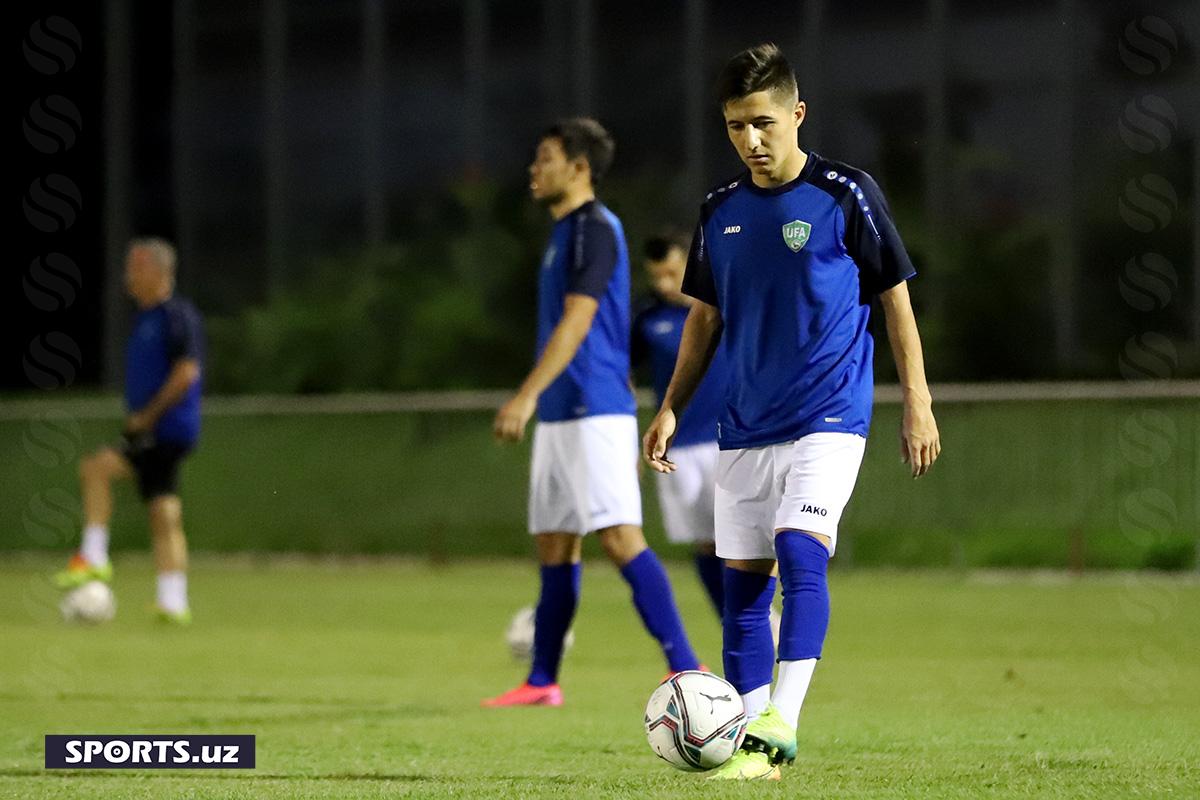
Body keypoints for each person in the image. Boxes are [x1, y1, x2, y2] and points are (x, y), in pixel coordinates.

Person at [643, 44, 941, 780]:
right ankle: (751, 748)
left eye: (764, 122)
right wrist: (671, 408)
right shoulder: (719, 209)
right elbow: (703, 320)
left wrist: (919, 404)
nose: (751, 140)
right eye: (737, 126)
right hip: (744, 424)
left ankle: (784, 717)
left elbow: (894, 300)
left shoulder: (847, 194)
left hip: (830, 413)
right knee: (741, 591)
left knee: (800, 549)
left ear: (797, 115)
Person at [484, 118, 703, 707]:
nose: (535, 168)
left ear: (580, 168)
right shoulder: (562, 233)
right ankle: (542, 679)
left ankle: (687, 666)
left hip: (593, 407)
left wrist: (525, 393)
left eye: (546, 157)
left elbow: (579, 319)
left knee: (619, 537)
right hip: (563, 412)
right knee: (555, 542)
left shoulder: (594, 229)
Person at [56, 238, 204, 625]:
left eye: (135, 268)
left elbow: (187, 371)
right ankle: (173, 602)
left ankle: (94, 555)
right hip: (161, 429)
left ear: (157, 271)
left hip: (164, 427)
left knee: (96, 468)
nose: (128, 276)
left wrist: (148, 415)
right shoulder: (144, 319)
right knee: (163, 511)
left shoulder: (176, 316)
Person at [632, 230, 729, 617]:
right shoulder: (647, 317)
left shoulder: (728, 303)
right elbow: (623, 372)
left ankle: (758, 616)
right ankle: (731, 619)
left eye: (671, 273)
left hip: (730, 439)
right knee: (705, 543)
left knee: (745, 539)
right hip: (680, 446)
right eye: (656, 276)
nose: (663, 284)